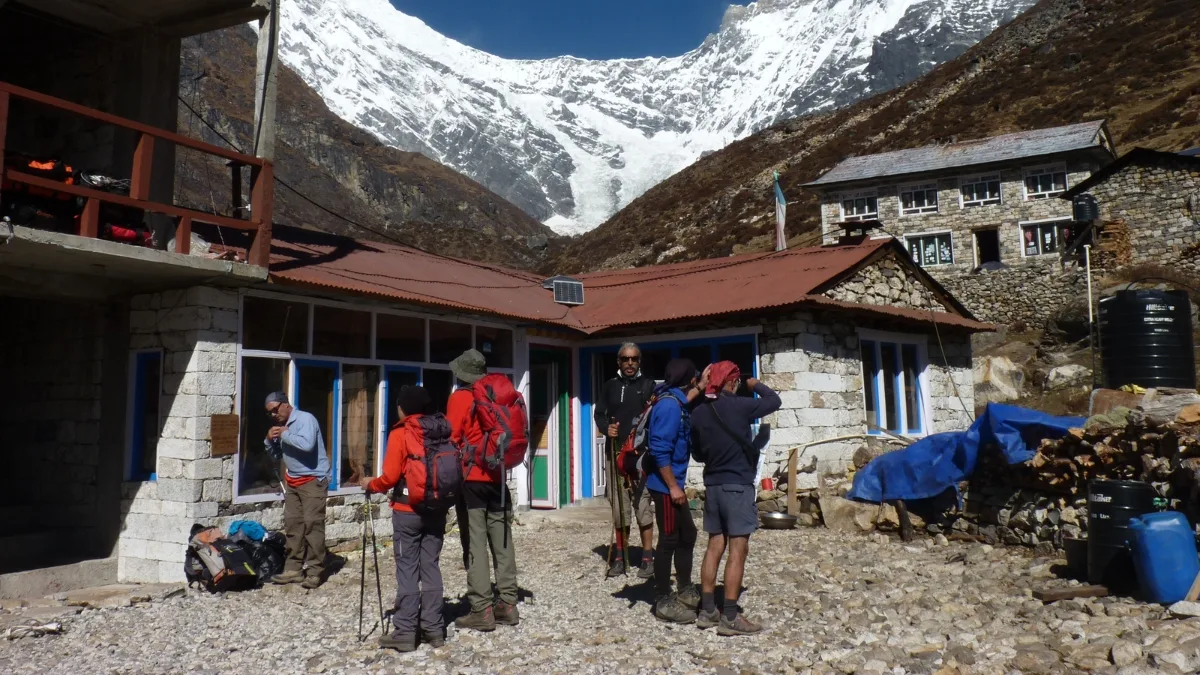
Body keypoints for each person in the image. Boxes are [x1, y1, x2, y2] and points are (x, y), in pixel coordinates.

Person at [690, 361, 782, 636]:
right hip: (737, 486)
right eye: (737, 382)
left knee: (714, 544)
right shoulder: (741, 405)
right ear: (731, 382)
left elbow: (698, 454)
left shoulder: (698, 413)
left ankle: (707, 610)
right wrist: (754, 384)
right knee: (738, 549)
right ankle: (730, 616)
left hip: (713, 486)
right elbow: (774, 400)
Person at [360, 386, 450, 652]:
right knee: (430, 566)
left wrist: (369, 484)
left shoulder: (401, 433)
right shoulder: (441, 430)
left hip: (408, 510)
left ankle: (406, 632)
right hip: (437, 508)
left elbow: (389, 477)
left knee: (407, 569)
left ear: (403, 408)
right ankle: (434, 629)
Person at [446, 348, 519, 632]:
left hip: (472, 477)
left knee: (476, 542)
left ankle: (482, 609)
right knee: (502, 541)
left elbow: (452, 438)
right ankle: (509, 604)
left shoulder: (460, 398)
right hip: (498, 477)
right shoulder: (495, 396)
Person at [646, 358, 709, 623]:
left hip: (673, 484)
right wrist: (672, 487)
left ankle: (684, 589)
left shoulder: (672, 398)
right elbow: (659, 450)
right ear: (688, 379)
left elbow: (684, 399)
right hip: (665, 486)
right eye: (695, 377)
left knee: (688, 533)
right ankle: (662, 600)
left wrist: (702, 387)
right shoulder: (670, 408)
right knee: (669, 539)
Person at [592, 343, 657, 579]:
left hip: (641, 457)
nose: (630, 363)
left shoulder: (648, 385)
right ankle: (621, 557)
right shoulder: (610, 386)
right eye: (625, 359)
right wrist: (605, 428)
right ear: (618, 362)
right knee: (620, 507)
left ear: (639, 361)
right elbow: (599, 413)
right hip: (616, 453)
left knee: (642, 506)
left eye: (634, 359)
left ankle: (648, 559)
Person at [264, 391, 331, 589]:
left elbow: (307, 444)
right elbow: (276, 455)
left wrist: (285, 433)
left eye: (275, 410)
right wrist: (269, 440)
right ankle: (293, 569)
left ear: (286, 404)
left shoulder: (305, 419)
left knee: (313, 525)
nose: (274, 415)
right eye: (270, 413)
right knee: (293, 525)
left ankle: (314, 571)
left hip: (313, 480)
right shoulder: (281, 427)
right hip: (293, 480)